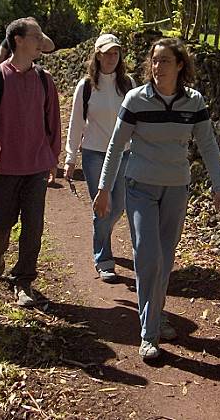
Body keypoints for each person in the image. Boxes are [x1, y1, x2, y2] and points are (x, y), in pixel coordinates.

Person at [93, 37, 220, 360]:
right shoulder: (136, 99)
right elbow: (115, 146)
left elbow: (208, 146)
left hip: (176, 189)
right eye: (154, 61)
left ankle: (154, 313)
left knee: (165, 260)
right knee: (148, 255)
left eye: (165, 61)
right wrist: (103, 188)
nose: (158, 67)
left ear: (180, 65)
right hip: (140, 186)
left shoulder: (194, 102)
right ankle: (149, 333)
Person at [0, 17, 61, 307]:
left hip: (36, 166)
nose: (40, 42)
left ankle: (23, 281)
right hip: (3, 167)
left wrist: (53, 157)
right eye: (35, 37)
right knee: (1, 223)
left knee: (33, 226)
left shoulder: (44, 80)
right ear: (18, 40)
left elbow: (53, 122)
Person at [64, 33, 136, 283]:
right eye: (106, 53)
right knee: (102, 206)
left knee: (120, 205)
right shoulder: (86, 86)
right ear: (97, 55)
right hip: (95, 154)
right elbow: (75, 123)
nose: (111, 58)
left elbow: (137, 120)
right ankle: (104, 259)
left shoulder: (128, 84)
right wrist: (70, 157)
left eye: (115, 53)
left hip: (125, 153)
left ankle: (102, 232)